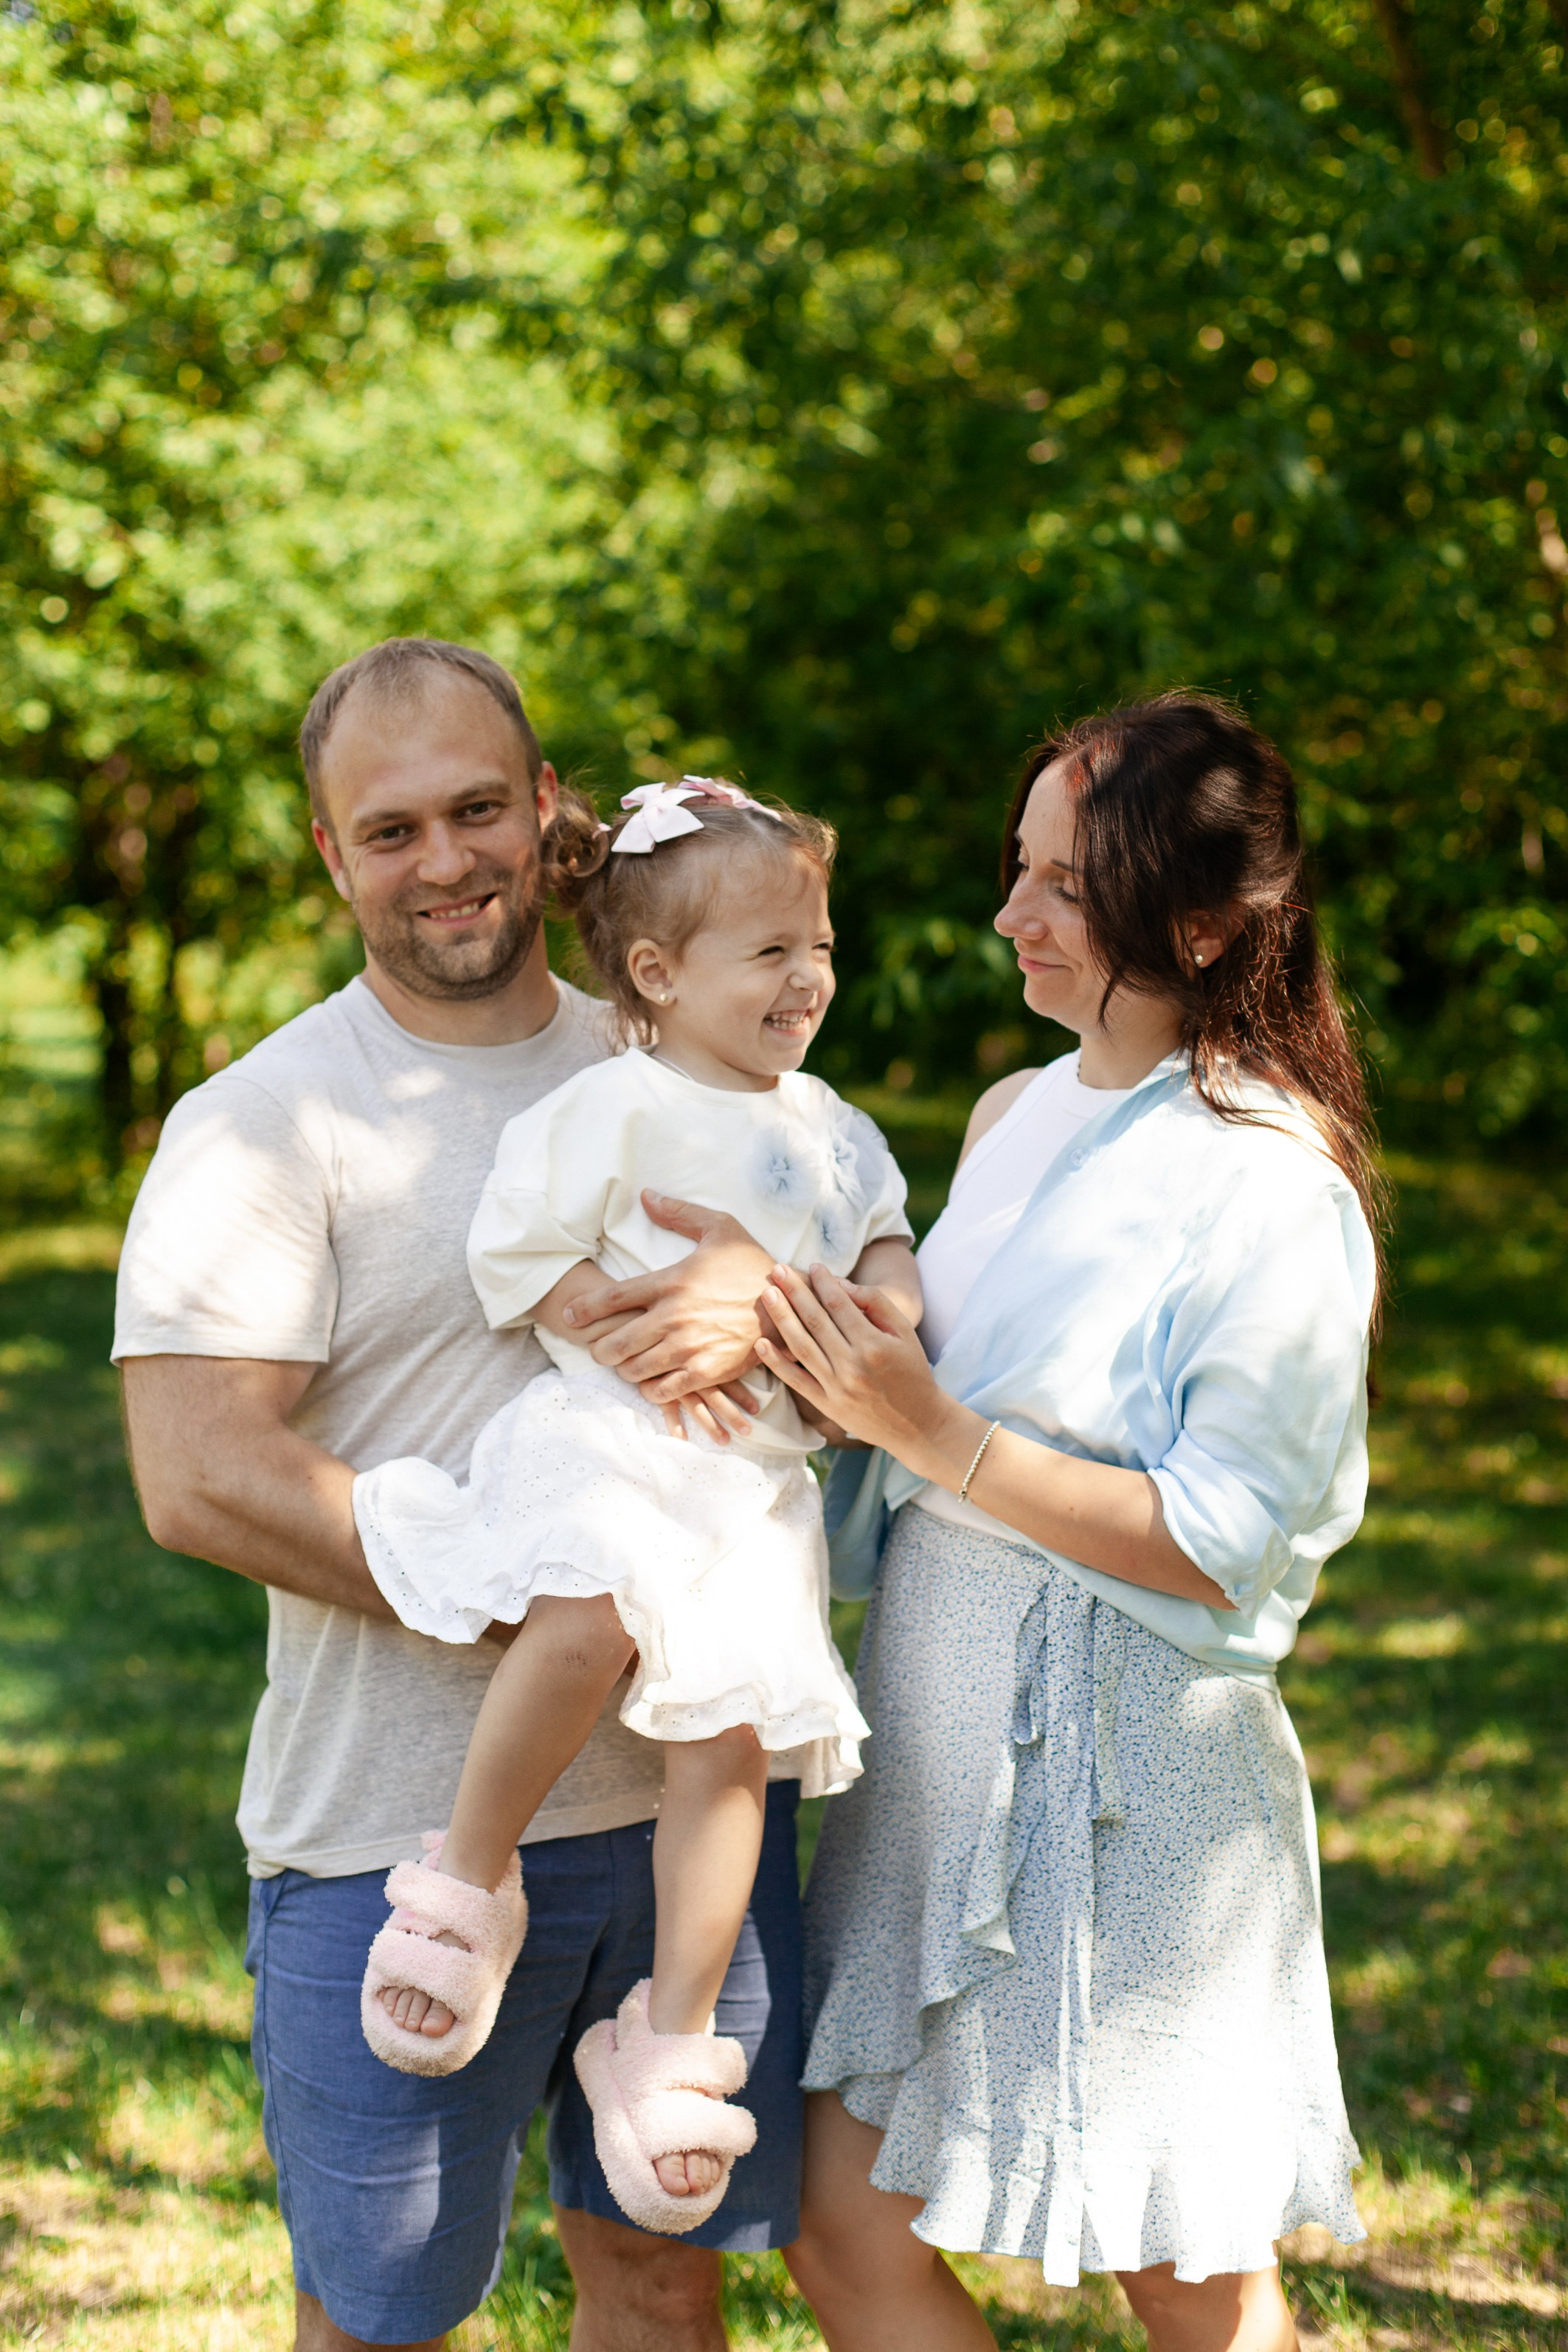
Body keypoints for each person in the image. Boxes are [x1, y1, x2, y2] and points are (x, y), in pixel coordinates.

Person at [114, 640, 819, 2352]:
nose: (446, 859)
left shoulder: (689, 1059)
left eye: (481, 807)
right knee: (378, 2321)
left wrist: (776, 1311)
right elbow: (198, 1476)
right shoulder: (263, 1121)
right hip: (396, 1841)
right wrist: (563, 1614)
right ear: (327, 853)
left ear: (549, 805)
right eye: (393, 827)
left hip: (689, 1824)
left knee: (659, 2277)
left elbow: (845, 1344)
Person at [767, 695, 1379, 2352]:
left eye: (1063, 885)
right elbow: (937, 1397)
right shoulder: (1013, 1112)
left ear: (1193, 921)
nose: (1010, 915)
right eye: (1017, 868)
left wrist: (937, 1432)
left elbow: (1217, 1538)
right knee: (839, 2230)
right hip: (942, 1727)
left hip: (1126, 1769)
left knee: (1184, 2278)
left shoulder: (1268, 1181)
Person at [352, 777, 917, 2241]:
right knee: (587, 1614)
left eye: (819, 944)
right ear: (658, 974)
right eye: (770, 950)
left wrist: (868, 1306)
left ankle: (669, 2032)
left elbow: (887, 1253)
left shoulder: (835, 1127)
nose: (808, 976)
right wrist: (596, 1313)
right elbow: (516, 1250)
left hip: (746, 1486)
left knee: (730, 1745)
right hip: (617, 1444)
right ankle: (466, 1883)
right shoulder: (609, 1103)